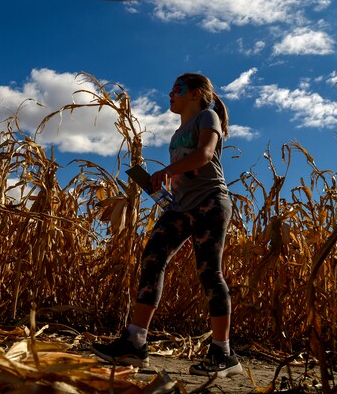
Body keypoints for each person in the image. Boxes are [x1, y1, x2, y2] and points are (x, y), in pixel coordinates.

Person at [91, 73, 243, 377]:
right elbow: (183, 177)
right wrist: (158, 188)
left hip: (211, 202)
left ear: (195, 93)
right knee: (152, 257)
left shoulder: (208, 117)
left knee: (209, 271)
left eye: (178, 89)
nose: (170, 94)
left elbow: (205, 155)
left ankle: (223, 354)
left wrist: (167, 171)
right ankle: (135, 342)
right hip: (181, 207)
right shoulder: (176, 134)